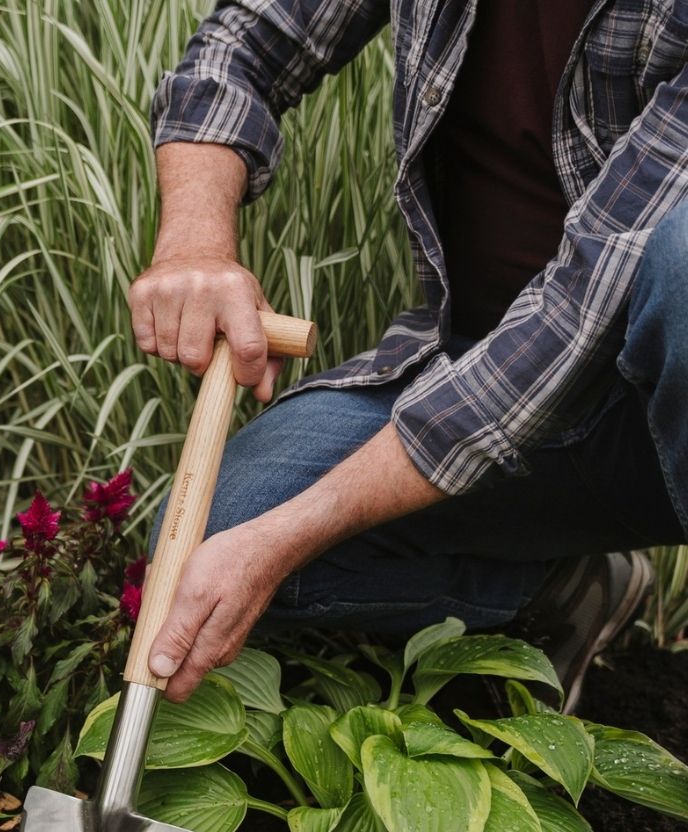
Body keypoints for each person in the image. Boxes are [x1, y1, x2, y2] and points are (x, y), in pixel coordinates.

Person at [129, 1, 688, 709]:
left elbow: (579, 312)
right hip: (477, 368)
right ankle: (564, 591)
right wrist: (195, 246)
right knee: (213, 535)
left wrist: (291, 535)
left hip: (653, 400)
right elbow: (245, 41)